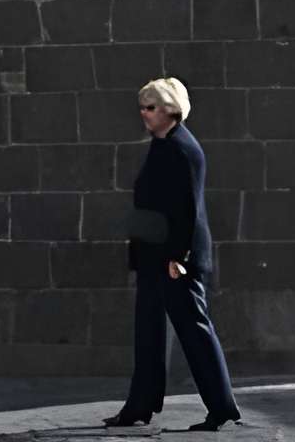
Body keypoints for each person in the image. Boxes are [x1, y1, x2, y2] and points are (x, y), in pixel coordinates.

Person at [105, 78, 241, 432]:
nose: (144, 114)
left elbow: (189, 209)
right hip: (154, 255)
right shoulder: (162, 144)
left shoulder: (183, 148)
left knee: (195, 329)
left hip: (175, 260)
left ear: (170, 110)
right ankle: (139, 407)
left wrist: (179, 257)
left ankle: (222, 407)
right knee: (148, 331)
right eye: (142, 107)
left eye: (150, 107)